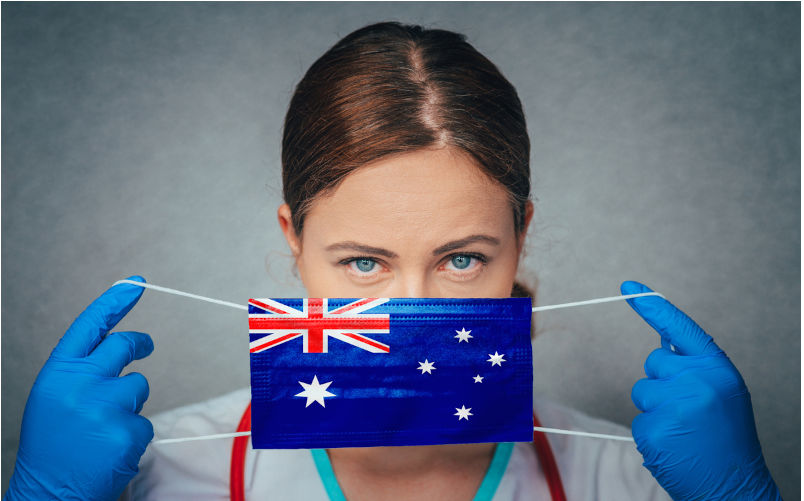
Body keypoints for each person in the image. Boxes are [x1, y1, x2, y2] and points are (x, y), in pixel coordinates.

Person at [4, 21, 782, 501]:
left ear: (520, 237)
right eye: (363, 263)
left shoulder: (637, 482)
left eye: (463, 259)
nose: (411, 313)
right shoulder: (153, 476)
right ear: (294, 240)